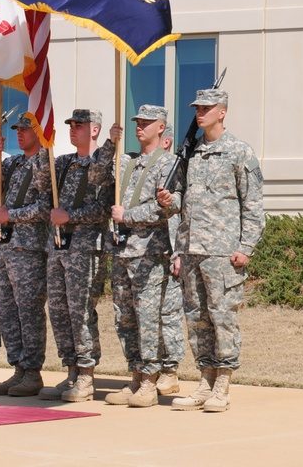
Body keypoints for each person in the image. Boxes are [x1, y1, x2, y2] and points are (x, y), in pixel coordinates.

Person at [167, 89, 264, 413]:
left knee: (222, 317)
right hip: (192, 249)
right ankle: (205, 380)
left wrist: (246, 246)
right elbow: (184, 199)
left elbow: (253, 205)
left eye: (207, 108)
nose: (200, 113)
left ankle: (223, 382)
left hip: (222, 253)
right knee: (196, 319)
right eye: (197, 108)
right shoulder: (191, 152)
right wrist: (171, 203)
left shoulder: (238, 152)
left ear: (222, 112)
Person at [89, 105, 177, 408]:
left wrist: (128, 215)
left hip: (148, 252)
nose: (140, 127)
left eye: (147, 123)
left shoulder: (169, 164)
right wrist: (110, 143)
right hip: (121, 250)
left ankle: (151, 380)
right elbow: (96, 175)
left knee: (147, 317)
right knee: (124, 318)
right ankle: (136, 375)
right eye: (137, 122)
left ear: (161, 127)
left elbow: (167, 206)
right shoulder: (125, 161)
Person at [40, 109, 112, 403]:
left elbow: (103, 209)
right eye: (70, 125)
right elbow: (43, 190)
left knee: (81, 311)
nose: (72, 129)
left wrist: (69, 215)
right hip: (58, 247)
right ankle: (70, 369)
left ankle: (86, 374)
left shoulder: (104, 165)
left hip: (85, 248)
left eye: (79, 125)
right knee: (58, 311)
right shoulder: (65, 163)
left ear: (94, 130)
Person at [0, 113, 52, 397]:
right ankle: (18, 368)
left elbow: (47, 206)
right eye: (17, 129)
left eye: (25, 129)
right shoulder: (12, 163)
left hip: (28, 248)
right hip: (4, 246)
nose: (19, 134)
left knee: (28, 310)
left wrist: (12, 215)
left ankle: (32, 372)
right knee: (7, 312)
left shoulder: (46, 163)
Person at [156, 124, 185, 396]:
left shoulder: (176, 171)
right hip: (151, 252)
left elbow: (180, 215)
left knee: (169, 313)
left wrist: (178, 253)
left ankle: (170, 371)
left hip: (171, 252)